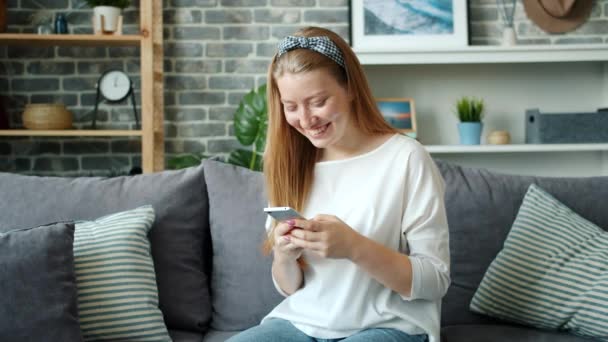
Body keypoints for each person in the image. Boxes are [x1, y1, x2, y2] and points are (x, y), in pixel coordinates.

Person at [227, 26, 450, 342]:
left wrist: (354, 247)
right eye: (291, 107)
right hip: (300, 323)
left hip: (389, 326)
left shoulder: (406, 158)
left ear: (351, 88)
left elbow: (435, 280)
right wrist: (284, 256)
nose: (305, 120)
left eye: (318, 101)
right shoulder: (291, 163)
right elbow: (289, 287)